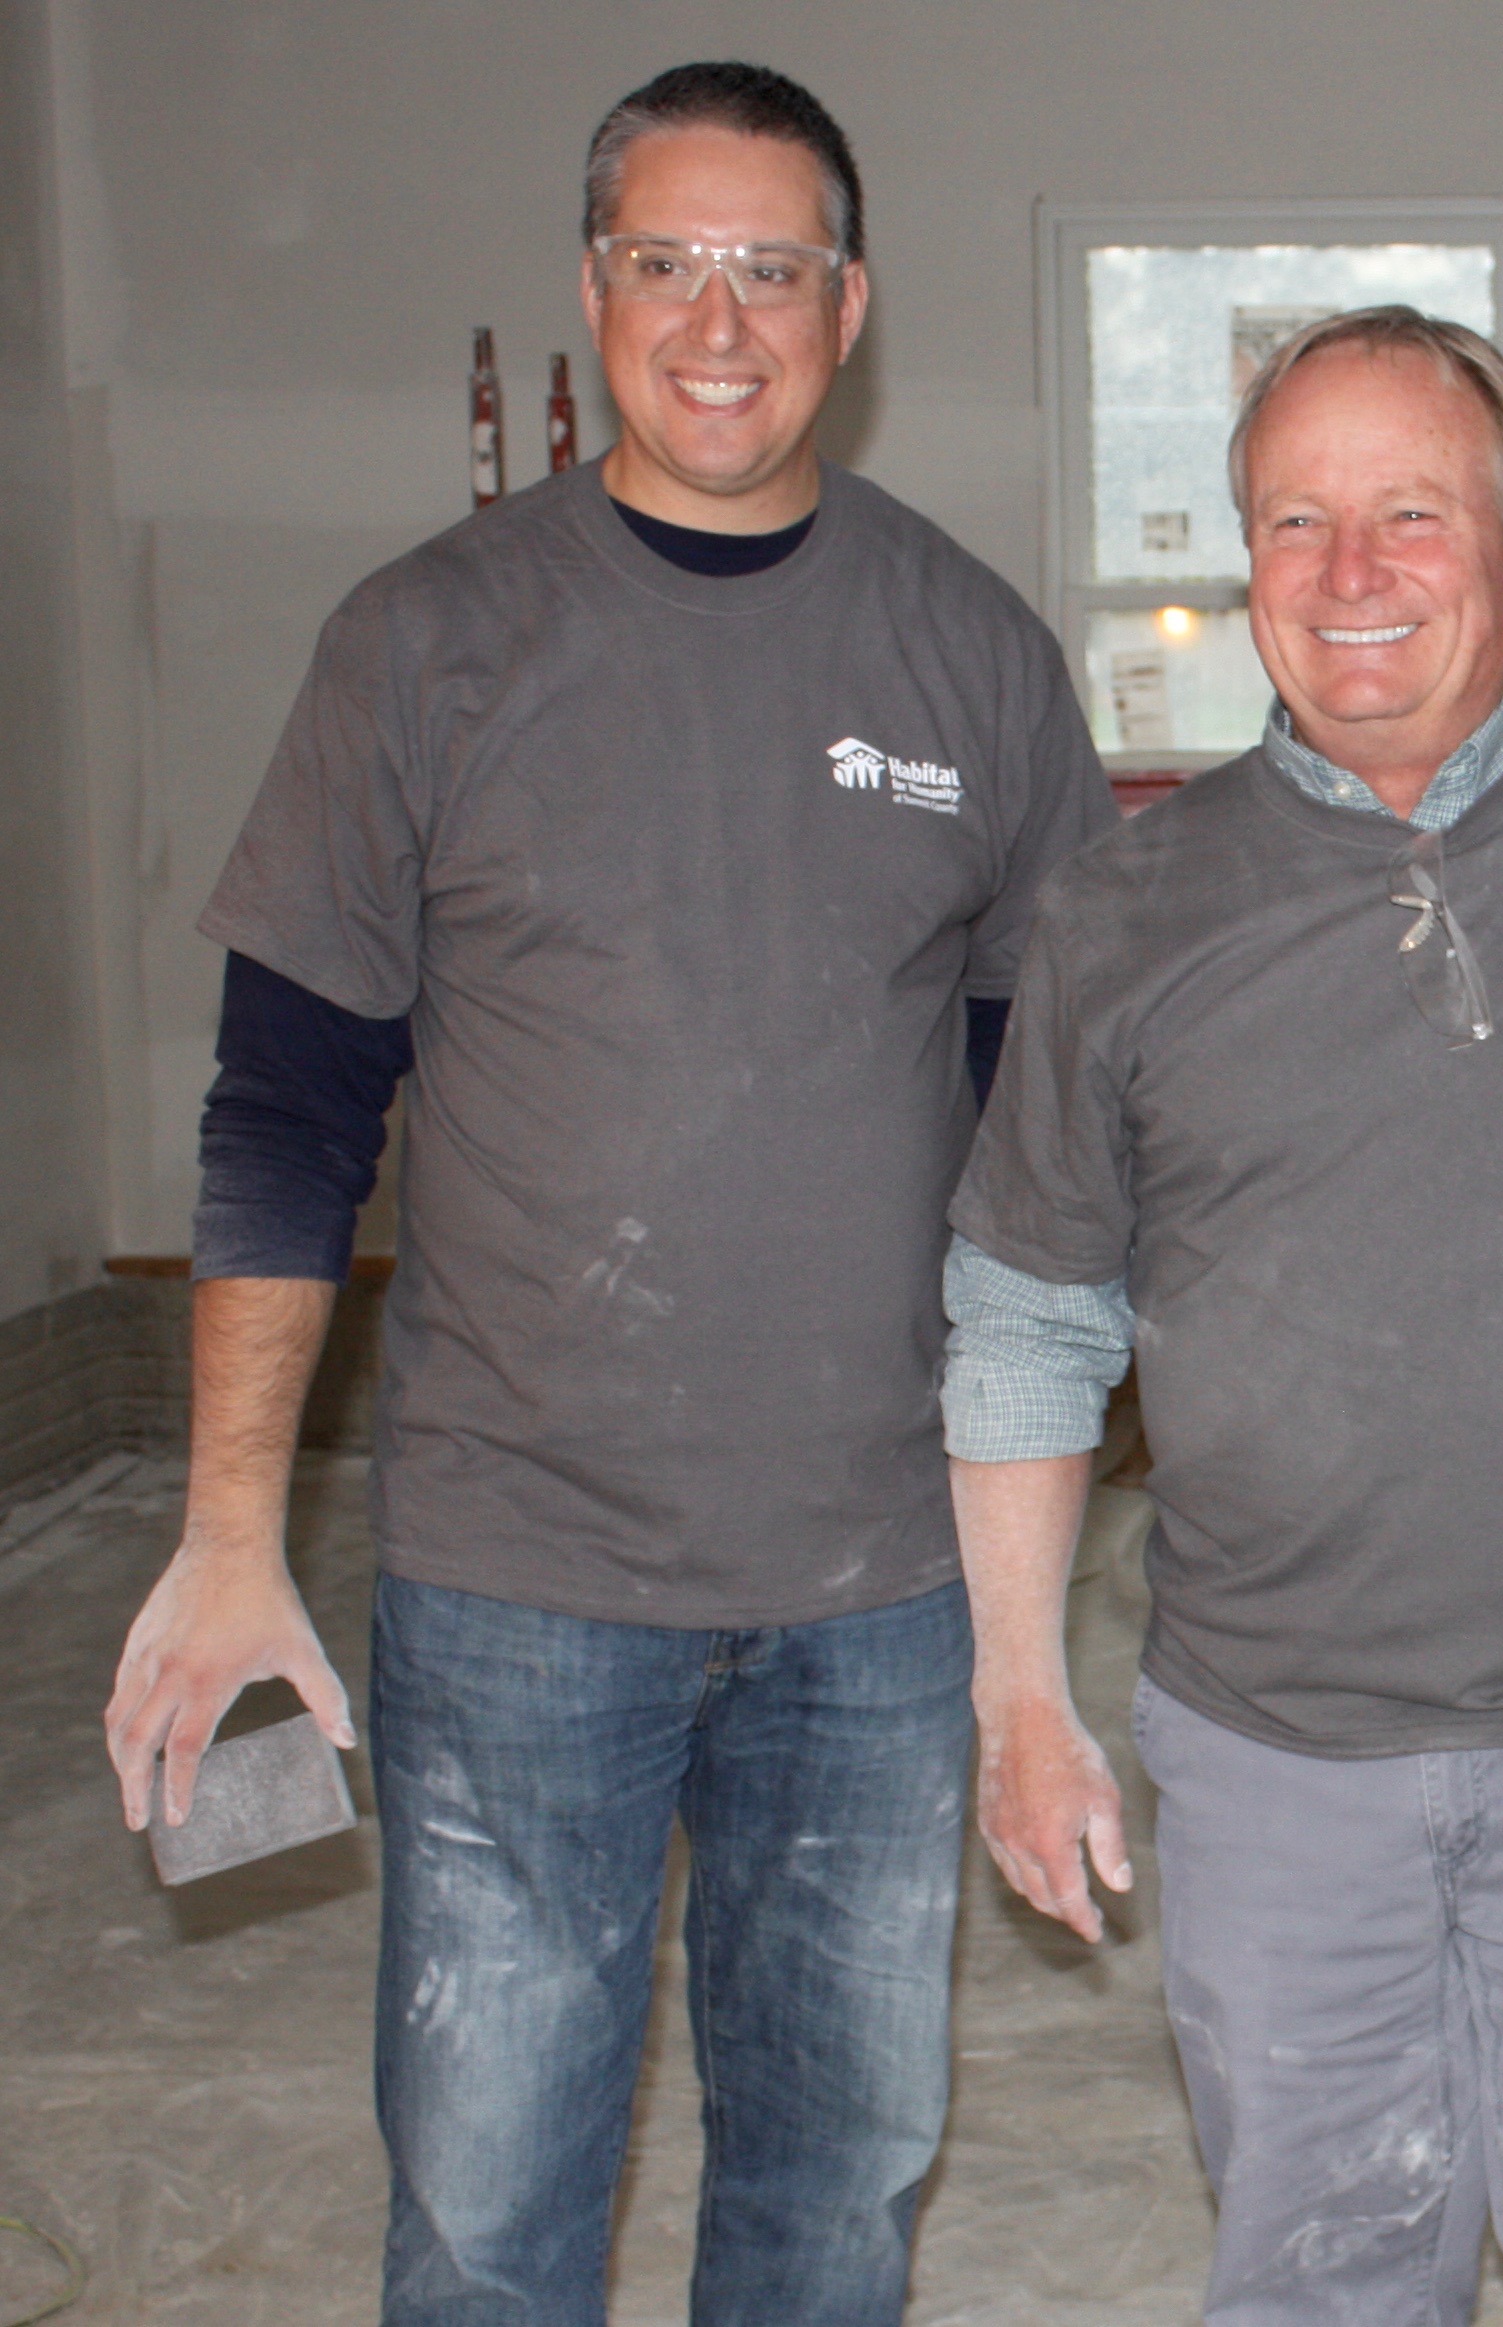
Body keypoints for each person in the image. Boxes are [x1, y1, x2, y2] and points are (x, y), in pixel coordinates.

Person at [101, 62, 1104, 2324]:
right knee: (482, 2228)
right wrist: (231, 1527)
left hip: (873, 1592)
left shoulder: (973, 655)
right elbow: (282, 1110)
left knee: (833, 2209)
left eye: (771, 268)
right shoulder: (425, 645)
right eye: (667, 262)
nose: (718, 319)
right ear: (591, 292)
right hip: (514, 1584)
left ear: (849, 306)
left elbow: (1036, 1125)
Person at [935, 306, 1503, 2324]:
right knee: (1323, 2280)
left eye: (1410, 514)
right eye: (1294, 520)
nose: (1350, 576)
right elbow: (1025, 1315)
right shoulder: (1123, 907)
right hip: (1277, 1752)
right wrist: (1019, 1692)